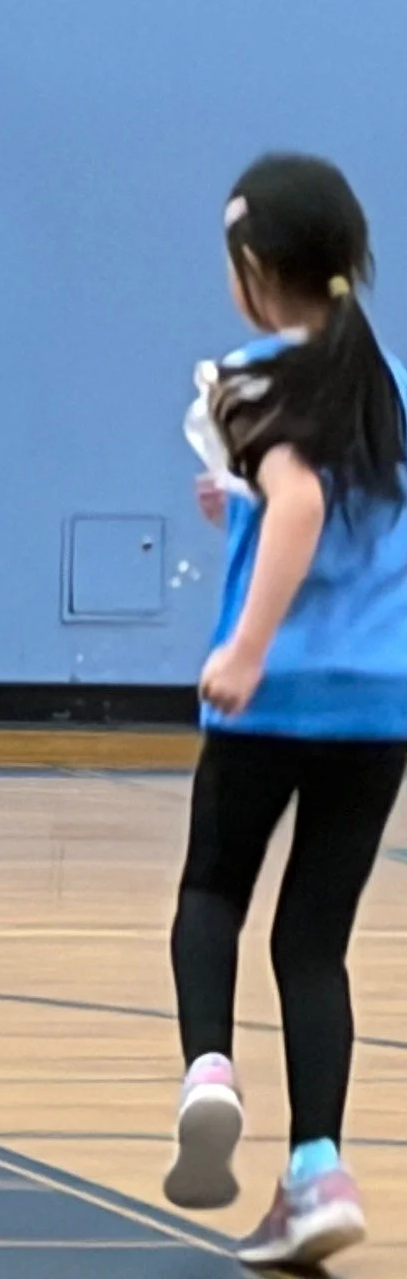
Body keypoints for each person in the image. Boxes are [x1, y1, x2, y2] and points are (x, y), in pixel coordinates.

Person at [166, 155, 407, 1268]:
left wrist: (245, 648)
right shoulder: (385, 379)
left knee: (212, 893)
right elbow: (346, 515)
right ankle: (316, 1172)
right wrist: (243, 509)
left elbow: (305, 502)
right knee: (315, 942)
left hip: (276, 696)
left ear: (254, 267)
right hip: (381, 699)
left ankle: (208, 1071)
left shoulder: (247, 379)